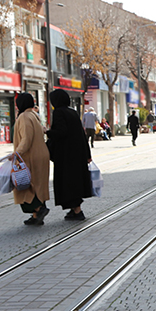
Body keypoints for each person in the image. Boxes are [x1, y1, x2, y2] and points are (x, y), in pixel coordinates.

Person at [45, 90, 93, 221]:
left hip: (66, 155)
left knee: (68, 183)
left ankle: (77, 211)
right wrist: (87, 154)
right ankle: (74, 210)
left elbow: (61, 132)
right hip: (77, 154)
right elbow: (82, 135)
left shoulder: (59, 112)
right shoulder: (72, 112)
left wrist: (47, 132)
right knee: (75, 181)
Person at [8, 93, 51, 225]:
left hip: (31, 156)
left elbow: (26, 139)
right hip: (41, 154)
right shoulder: (34, 115)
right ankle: (36, 216)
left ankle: (39, 209)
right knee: (37, 185)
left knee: (25, 185)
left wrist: (16, 153)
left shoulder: (24, 116)